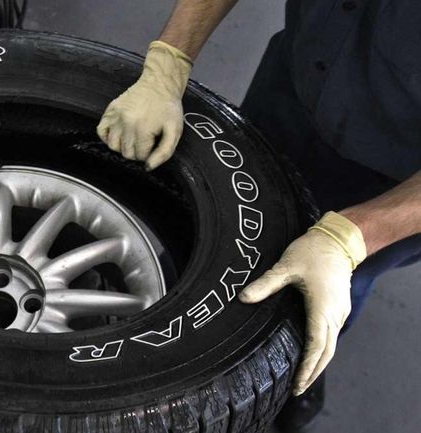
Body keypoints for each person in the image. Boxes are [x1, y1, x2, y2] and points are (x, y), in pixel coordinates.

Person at [97, 0, 421, 431]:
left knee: (312, 297)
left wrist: (352, 236)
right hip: (294, 85)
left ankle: (280, 387)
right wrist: (168, 61)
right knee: (219, 229)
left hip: (392, 180)